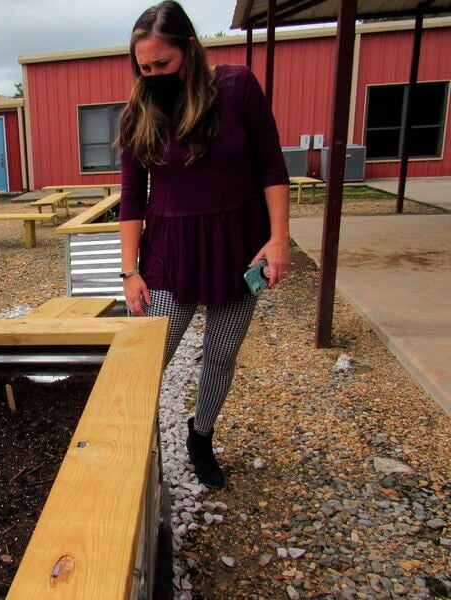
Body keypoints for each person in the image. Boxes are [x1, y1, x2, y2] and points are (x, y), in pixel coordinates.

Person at [118, 1, 290, 489]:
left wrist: (279, 238)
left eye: (163, 64)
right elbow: (131, 198)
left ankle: (201, 434)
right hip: (168, 253)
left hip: (240, 247)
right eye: (145, 68)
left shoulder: (237, 87)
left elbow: (272, 165)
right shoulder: (137, 115)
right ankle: (128, 439)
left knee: (221, 352)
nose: (153, 75)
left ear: (189, 50)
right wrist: (130, 271)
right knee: (146, 357)